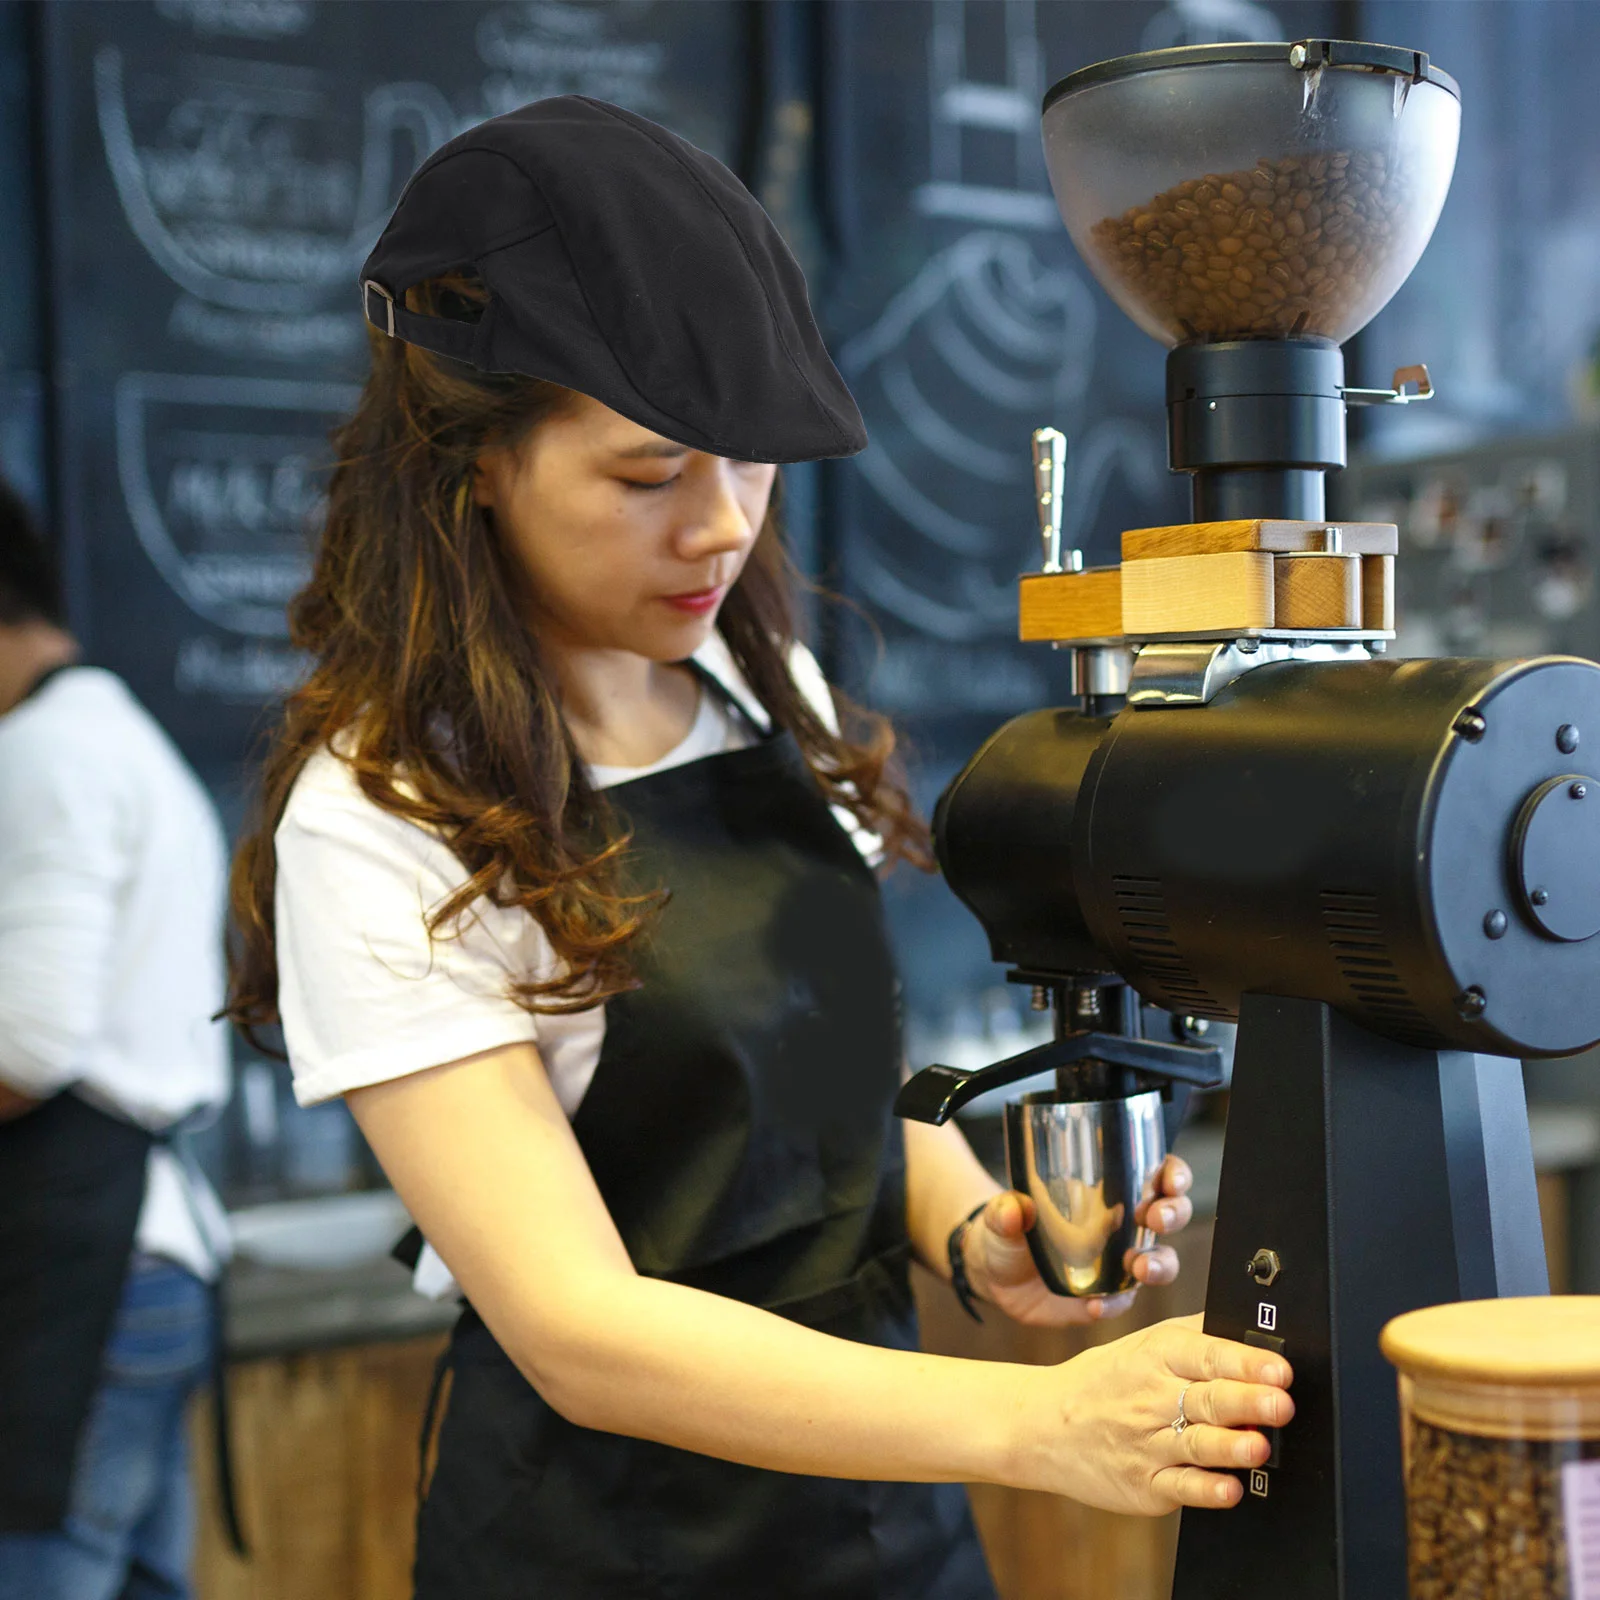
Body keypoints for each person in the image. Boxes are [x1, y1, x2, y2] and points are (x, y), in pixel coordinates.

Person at [228, 96, 1294, 1600]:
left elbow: (834, 1096)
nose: (723, 530)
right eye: (649, 475)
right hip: (612, 1550)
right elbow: (577, 1327)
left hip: (884, 1524)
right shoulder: (385, 812)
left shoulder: (758, 692)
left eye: (754, 463)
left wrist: (969, 1228)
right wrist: (1035, 1420)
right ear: (469, 461)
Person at [0, 478, 231, 1599]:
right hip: (144, 1257)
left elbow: (29, 1045)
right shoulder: (111, 733)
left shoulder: (45, 754)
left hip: (84, 1269)